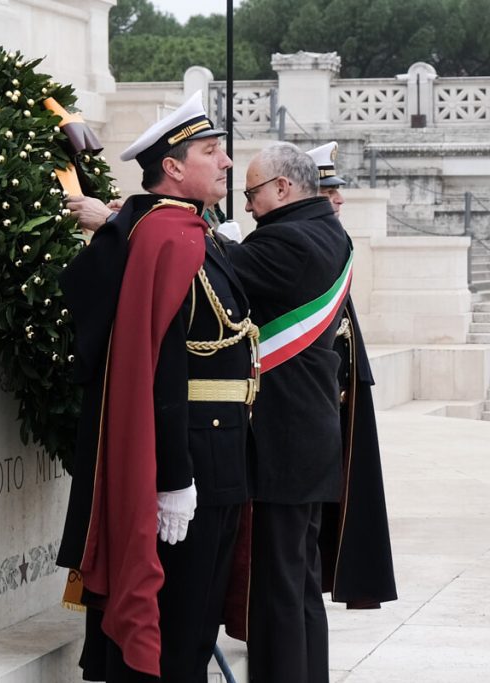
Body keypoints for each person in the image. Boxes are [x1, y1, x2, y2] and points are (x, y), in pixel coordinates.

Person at [57, 91, 257, 682]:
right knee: (176, 636)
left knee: (195, 632)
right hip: (192, 460)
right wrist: (173, 479)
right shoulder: (167, 237)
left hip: (221, 456)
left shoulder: (191, 233)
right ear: (173, 168)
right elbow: (159, 365)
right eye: (211, 152)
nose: (225, 163)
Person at [223, 142, 353, 683]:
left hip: (283, 440)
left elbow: (216, 268)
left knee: (278, 585)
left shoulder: (289, 240)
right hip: (310, 435)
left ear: (282, 188)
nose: (248, 206)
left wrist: (118, 218)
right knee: (299, 583)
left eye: (251, 193)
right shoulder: (329, 232)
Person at [304, 142, 397, 612]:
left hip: (342, 389)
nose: (338, 199)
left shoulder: (330, 240)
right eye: (326, 190)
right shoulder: (307, 243)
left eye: (336, 190)